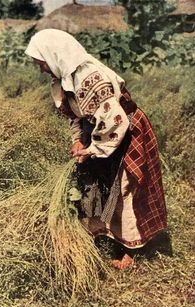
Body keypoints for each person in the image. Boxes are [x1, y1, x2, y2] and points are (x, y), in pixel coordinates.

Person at [25, 29, 168, 269]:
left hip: (125, 131)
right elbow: (74, 116)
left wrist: (93, 149)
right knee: (100, 184)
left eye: (41, 63)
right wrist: (78, 141)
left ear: (54, 55)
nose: (41, 69)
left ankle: (130, 250)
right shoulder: (63, 80)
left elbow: (115, 120)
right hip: (102, 133)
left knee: (125, 188)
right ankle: (104, 231)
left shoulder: (90, 78)